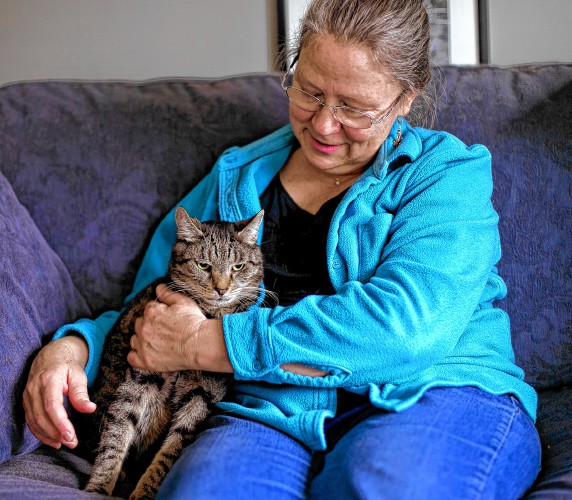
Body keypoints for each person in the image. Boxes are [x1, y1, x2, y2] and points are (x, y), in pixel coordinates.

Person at [23, 0, 541, 497]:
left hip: (433, 391)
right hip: (268, 410)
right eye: (309, 92)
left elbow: (406, 329)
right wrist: (75, 347)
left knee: (386, 487)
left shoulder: (446, 175)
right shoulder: (238, 176)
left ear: (405, 100)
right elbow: (155, 307)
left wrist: (205, 345)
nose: (322, 125)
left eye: (353, 108)